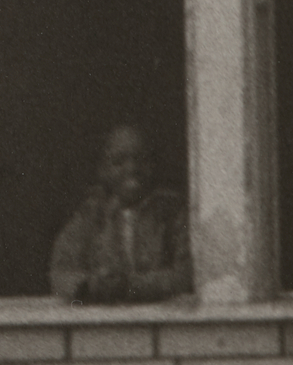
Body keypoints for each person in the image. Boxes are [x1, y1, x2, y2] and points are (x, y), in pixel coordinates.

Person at [48, 124, 190, 304]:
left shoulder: (172, 213)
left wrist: (131, 286)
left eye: (141, 159)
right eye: (118, 161)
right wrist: (92, 285)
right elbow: (60, 274)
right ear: (103, 170)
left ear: (153, 165)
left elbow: (186, 273)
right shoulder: (90, 216)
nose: (131, 169)